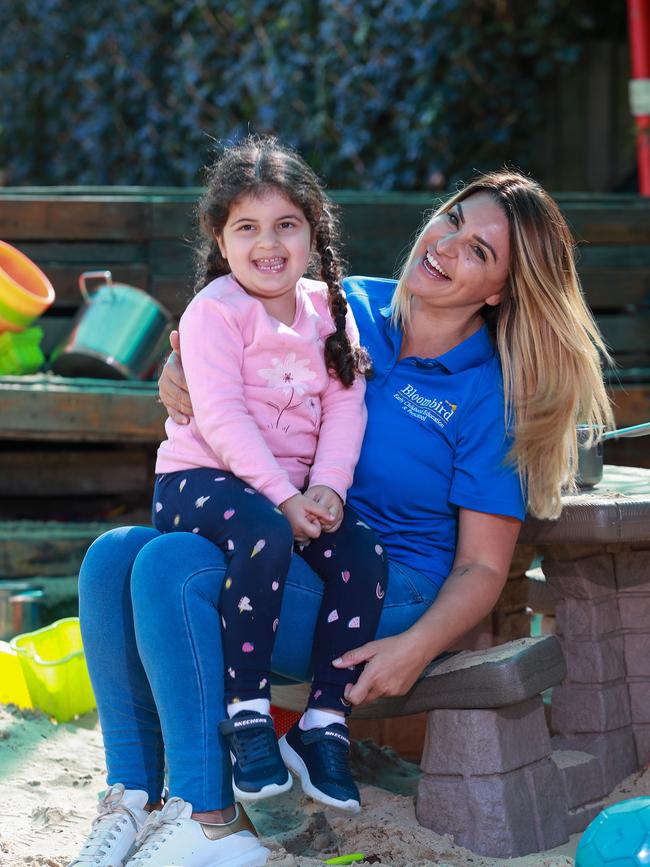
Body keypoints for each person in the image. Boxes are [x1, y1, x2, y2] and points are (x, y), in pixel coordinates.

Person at [70, 167, 613, 867]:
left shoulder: (492, 392)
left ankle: (210, 818)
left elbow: (484, 565)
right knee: (112, 553)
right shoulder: (340, 303)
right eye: (453, 219)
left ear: (501, 289)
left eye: (480, 250)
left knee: (173, 566)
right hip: (288, 540)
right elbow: (220, 351)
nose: (447, 246)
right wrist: (173, 380)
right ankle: (134, 799)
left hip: (390, 591)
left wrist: (416, 647)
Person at [152, 137, 386, 814]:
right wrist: (282, 497)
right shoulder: (215, 312)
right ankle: (249, 713)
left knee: (365, 554)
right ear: (220, 240)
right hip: (200, 482)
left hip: (292, 493)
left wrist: (328, 489)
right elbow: (220, 420)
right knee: (262, 531)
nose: (269, 244)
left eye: (286, 224)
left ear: (314, 231)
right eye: (247, 227)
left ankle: (323, 721)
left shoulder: (329, 309)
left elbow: (347, 406)